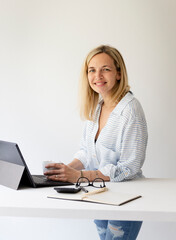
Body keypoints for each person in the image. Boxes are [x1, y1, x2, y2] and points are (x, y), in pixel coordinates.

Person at [44, 45, 148, 240]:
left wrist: (79, 175)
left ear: (118, 73)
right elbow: (86, 151)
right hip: (98, 194)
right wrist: (65, 171)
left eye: (105, 69)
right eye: (92, 70)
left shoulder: (130, 110)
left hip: (126, 198)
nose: (97, 75)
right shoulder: (97, 108)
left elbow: (130, 168)